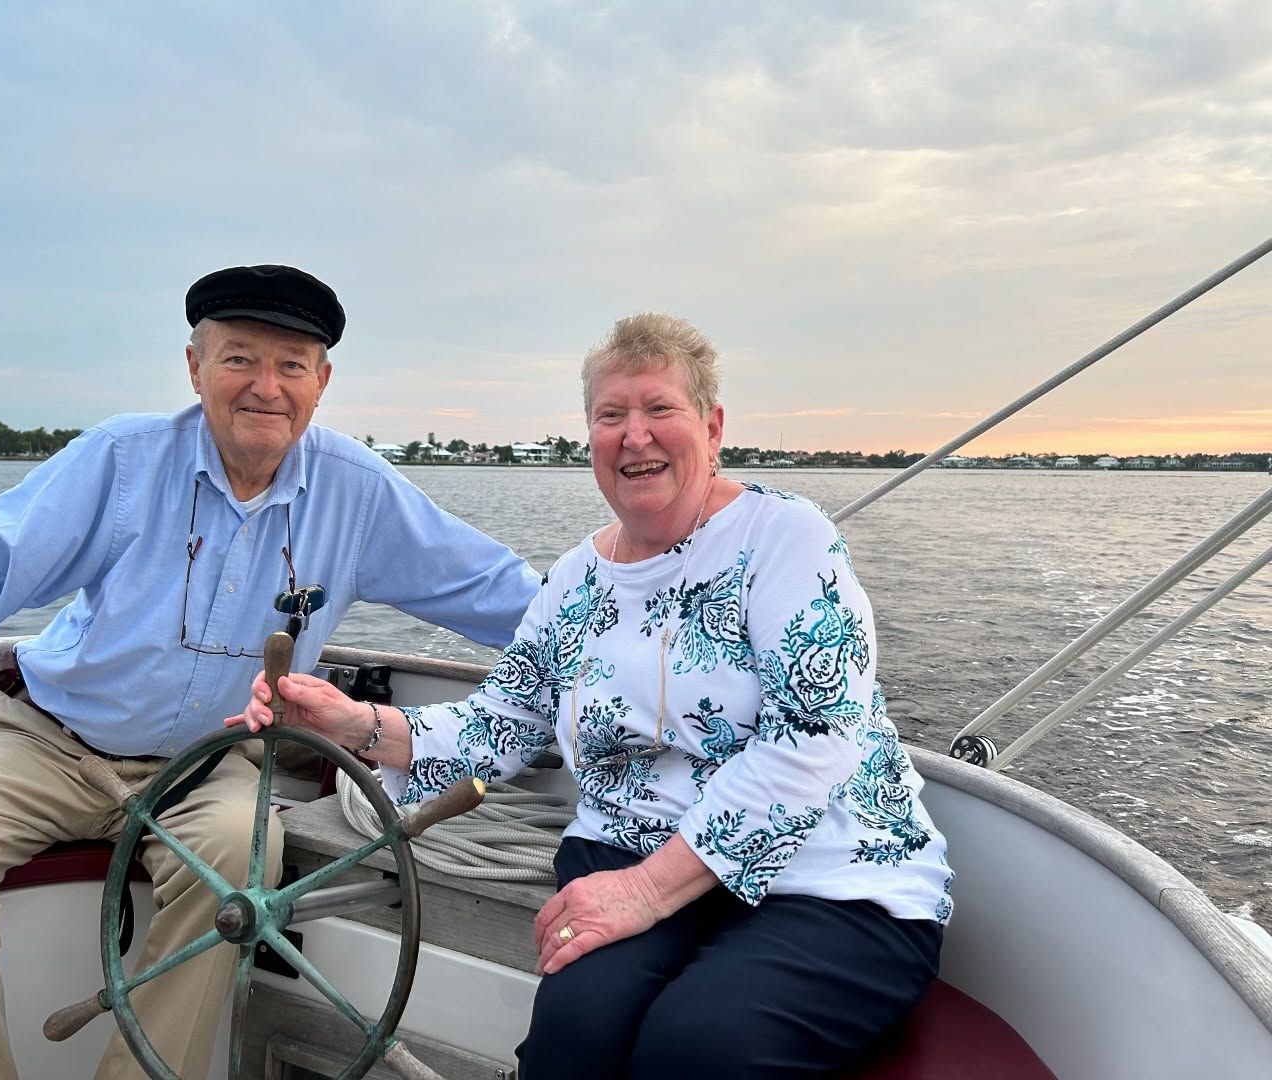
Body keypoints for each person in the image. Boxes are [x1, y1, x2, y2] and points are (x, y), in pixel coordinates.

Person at [0, 263, 541, 1080]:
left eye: (291, 365)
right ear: (194, 368)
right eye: (239, 358)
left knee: (241, 864)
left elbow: (523, 605)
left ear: (322, 381)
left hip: (207, 766)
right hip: (45, 739)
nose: (266, 387)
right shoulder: (124, 460)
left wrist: (658, 602)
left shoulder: (359, 494)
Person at [232, 313, 955, 1078]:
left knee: (702, 1048)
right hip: (628, 849)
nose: (634, 435)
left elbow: (815, 737)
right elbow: (498, 727)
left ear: (712, 428)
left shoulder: (784, 538)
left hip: (825, 872)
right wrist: (352, 723)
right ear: (590, 438)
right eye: (611, 415)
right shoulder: (575, 580)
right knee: (571, 1044)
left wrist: (646, 893)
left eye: (659, 409)